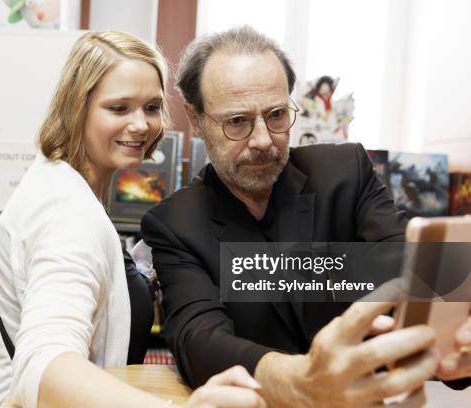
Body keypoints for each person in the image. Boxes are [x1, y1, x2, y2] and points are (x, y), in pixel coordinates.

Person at [140, 26, 471, 407]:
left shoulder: (345, 174)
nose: (263, 140)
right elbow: (198, 340)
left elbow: (407, 273)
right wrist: (301, 380)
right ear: (195, 119)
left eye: (277, 115)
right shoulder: (175, 223)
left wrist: (450, 337)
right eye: (237, 122)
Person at [0, 31, 267, 408]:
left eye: (151, 107)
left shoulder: (63, 182)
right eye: (119, 108)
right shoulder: (66, 214)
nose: (140, 124)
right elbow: (45, 364)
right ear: (77, 107)